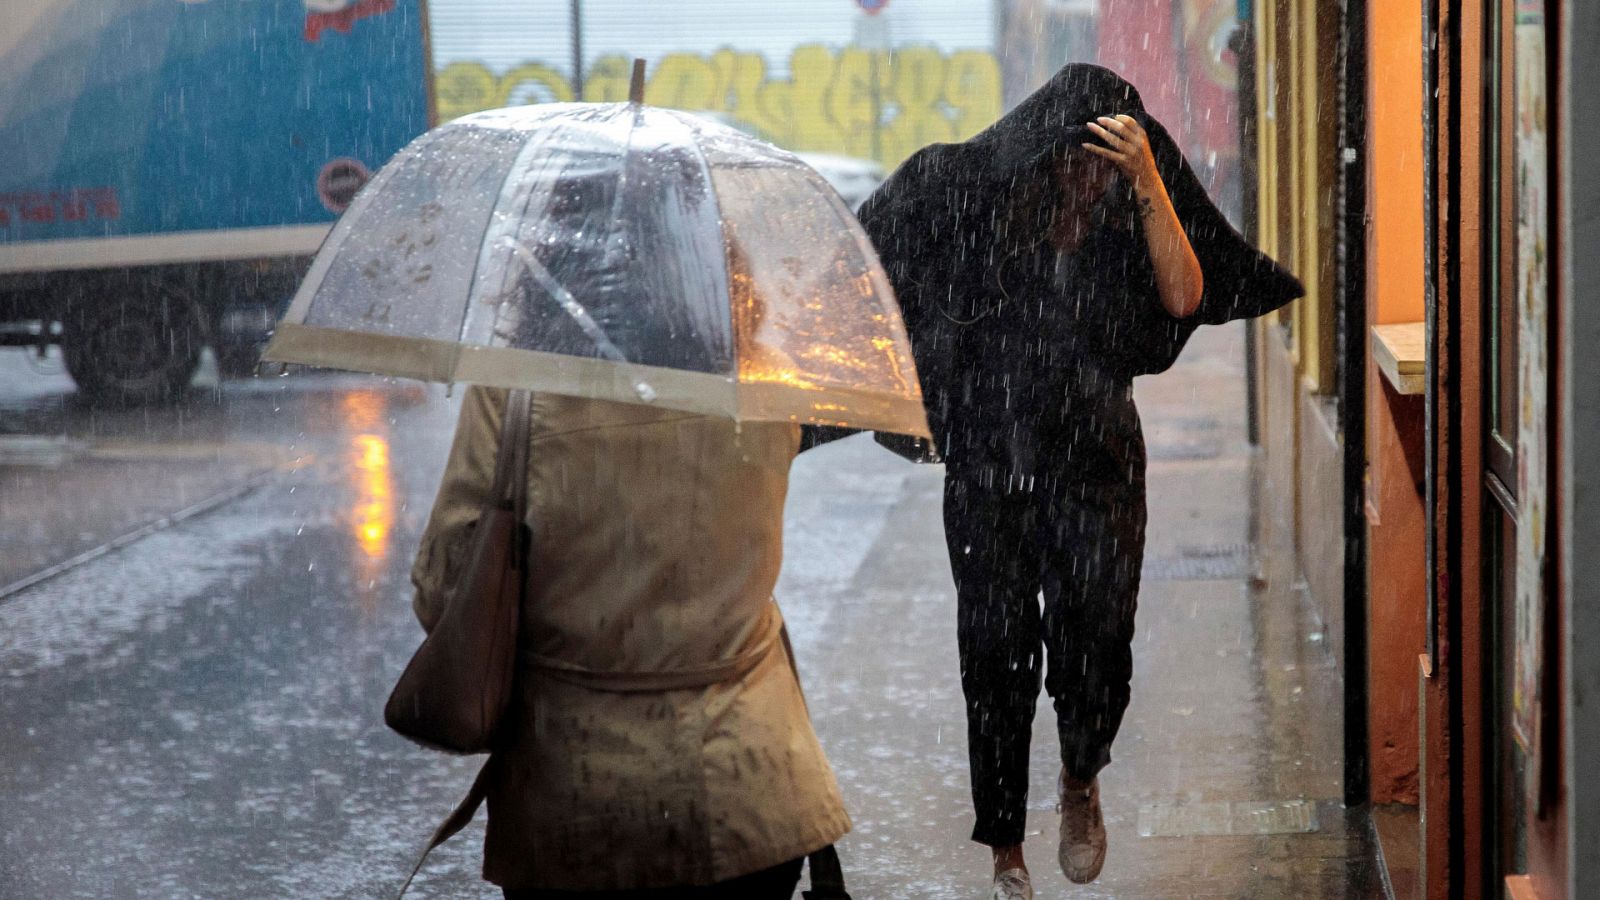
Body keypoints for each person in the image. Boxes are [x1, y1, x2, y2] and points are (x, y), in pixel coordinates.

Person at [855, 64, 1303, 899]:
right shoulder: (981, 208)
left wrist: (1148, 182)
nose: (1088, 175)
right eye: (1082, 157)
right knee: (994, 656)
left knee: (1097, 639)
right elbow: (882, 271)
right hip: (989, 466)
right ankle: (1005, 849)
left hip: (1095, 463)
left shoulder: (1124, 215)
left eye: (1108, 159)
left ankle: (1080, 774)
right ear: (1045, 152)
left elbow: (1186, 295)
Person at [410, 385, 851, 898]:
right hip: (749, 783)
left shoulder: (515, 389)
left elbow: (446, 593)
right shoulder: (764, 379)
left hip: (571, 791)